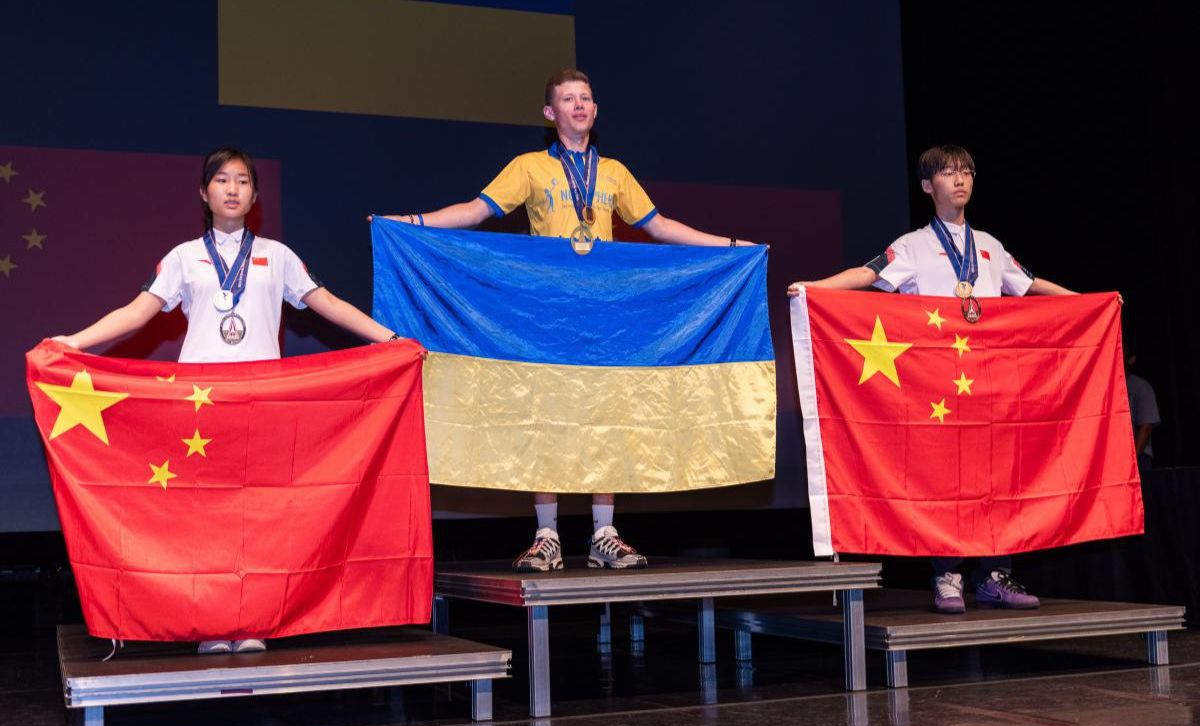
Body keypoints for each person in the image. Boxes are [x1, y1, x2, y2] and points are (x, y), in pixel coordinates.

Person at [379, 68, 754, 573]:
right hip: (548, 311)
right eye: (568, 99)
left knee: (607, 410)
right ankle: (547, 535)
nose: (578, 105)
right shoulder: (529, 167)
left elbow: (660, 226)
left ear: (595, 110)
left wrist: (730, 248)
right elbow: (474, 211)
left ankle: (604, 534)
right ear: (549, 113)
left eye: (586, 98)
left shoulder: (614, 172)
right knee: (545, 411)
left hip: (605, 312)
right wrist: (411, 223)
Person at [55, 147, 405, 652]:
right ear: (204, 192)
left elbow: (326, 303)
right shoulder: (183, 257)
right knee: (205, 516)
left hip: (262, 404)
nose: (233, 189)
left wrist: (389, 339)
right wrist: (75, 341)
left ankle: (252, 620)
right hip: (201, 406)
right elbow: (136, 313)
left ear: (255, 195)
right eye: (221, 180)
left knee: (260, 514)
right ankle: (212, 622)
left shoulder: (278, 256)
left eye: (242, 180)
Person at [788, 143, 1075, 614]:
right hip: (938, 391)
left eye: (966, 172)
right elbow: (867, 274)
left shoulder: (990, 246)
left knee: (998, 478)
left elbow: (1031, 284)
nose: (959, 180)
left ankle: (995, 575)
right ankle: (948, 575)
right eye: (947, 173)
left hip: (992, 387)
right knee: (945, 482)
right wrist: (815, 287)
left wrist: (1087, 302)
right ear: (927, 185)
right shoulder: (913, 246)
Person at [1125, 348, 1161, 472]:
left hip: (1138, 457)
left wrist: (1131, 461)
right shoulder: (1105, 384)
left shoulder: (1140, 387)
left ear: (1131, 359)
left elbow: (1146, 428)